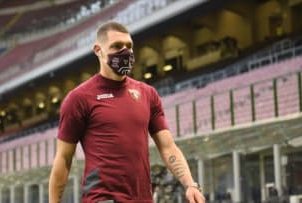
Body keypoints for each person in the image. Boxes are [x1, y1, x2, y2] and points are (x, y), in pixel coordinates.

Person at [49, 21, 205, 203]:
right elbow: (64, 158)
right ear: (98, 50)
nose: (125, 51)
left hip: (142, 199)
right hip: (102, 199)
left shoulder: (148, 94)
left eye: (129, 46)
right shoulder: (79, 98)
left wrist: (190, 184)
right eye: (116, 46)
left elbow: (167, 146)